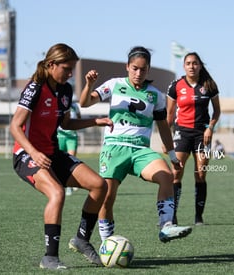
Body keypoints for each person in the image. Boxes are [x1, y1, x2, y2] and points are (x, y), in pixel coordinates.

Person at [10, 43, 113, 270]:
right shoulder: (35, 88)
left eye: (71, 69)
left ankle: (81, 240)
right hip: (26, 155)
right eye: (66, 69)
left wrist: (94, 121)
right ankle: (50, 257)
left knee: (99, 185)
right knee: (57, 193)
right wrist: (34, 153)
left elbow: (66, 124)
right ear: (51, 64)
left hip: (52, 152)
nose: (69, 74)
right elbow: (15, 127)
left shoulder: (65, 90)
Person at [79, 46, 192, 244]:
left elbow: (163, 127)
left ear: (148, 70)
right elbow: (85, 103)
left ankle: (166, 226)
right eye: (134, 68)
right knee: (107, 197)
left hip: (141, 150)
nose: (138, 73)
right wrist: (89, 85)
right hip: (114, 148)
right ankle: (107, 242)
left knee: (166, 175)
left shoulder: (155, 95)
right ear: (127, 67)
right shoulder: (114, 85)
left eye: (143, 69)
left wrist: (173, 156)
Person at [166, 52, 221, 226]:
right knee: (176, 174)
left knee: (200, 173)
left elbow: (217, 111)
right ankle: (172, 216)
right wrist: (165, 139)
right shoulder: (175, 86)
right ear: (184, 66)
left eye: (195, 63)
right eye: (188, 63)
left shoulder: (209, 85)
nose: (191, 66)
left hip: (201, 135)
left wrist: (210, 128)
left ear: (200, 65)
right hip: (181, 133)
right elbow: (168, 115)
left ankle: (198, 217)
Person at [57, 100, 82, 195]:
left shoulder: (75, 106)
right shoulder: (59, 103)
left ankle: (69, 187)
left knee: (70, 161)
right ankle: (59, 184)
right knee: (58, 162)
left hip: (71, 137)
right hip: (60, 137)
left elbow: (79, 117)